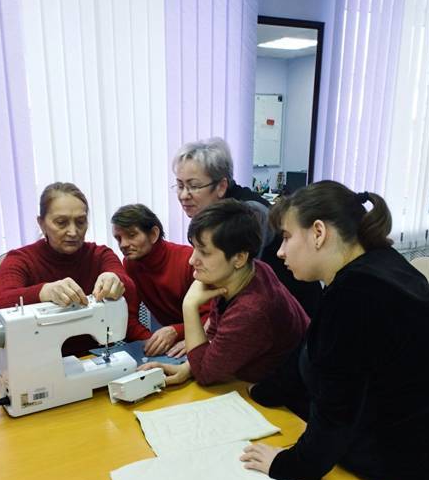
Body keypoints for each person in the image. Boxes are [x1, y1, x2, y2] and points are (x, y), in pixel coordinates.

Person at [240, 180, 429, 480]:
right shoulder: (376, 266)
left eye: (286, 237)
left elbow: (336, 414)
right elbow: (314, 351)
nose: (280, 251)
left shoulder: (356, 294)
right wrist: (261, 392)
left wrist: (286, 465)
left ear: (318, 232)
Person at [142, 199, 309, 386]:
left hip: (281, 400)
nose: (192, 260)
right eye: (194, 248)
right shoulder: (248, 271)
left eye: (204, 253)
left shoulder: (252, 309)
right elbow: (213, 336)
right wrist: (188, 367)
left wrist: (189, 306)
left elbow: (206, 375)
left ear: (239, 258)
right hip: (253, 382)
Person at [172, 136, 323, 317]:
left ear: (221, 186)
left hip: (291, 317)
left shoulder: (250, 214)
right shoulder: (214, 216)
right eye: (180, 185)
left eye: (194, 186)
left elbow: (241, 285)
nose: (183, 195)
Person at [0, 182, 151, 355]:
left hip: (91, 357)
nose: (73, 231)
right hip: (40, 359)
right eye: (61, 223)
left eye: (80, 222)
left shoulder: (100, 255)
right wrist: (44, 292)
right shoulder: (20, 260)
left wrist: (114, 279)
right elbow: (2, 301)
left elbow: (128, 288)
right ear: (41, 223)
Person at [111, 203, 210, 357]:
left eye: (131, 235)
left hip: (206, 338)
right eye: (118, 238)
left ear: (153, 234)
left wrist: (176, 332)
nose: (123, 244)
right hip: (175, 344)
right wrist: (151, 341)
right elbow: (128, 317)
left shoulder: (189, 260)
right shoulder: (130, 264)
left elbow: (214, 317)